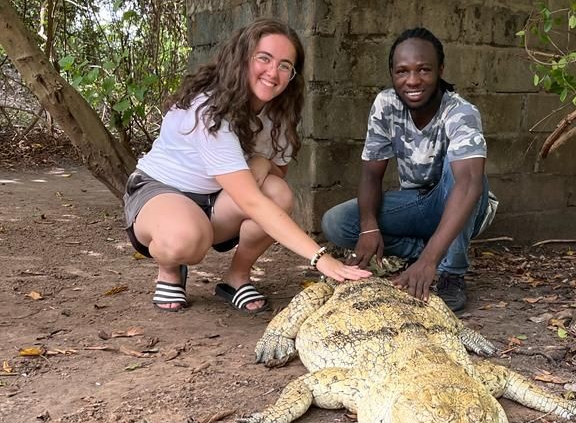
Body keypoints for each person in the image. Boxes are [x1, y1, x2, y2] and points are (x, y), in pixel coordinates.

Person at [124, 18, 370, 312]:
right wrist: (322, 259)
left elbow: (278, 173)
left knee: (278, 194)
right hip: (161, 193)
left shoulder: (279, 112)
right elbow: (251, 202)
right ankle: (169, 270)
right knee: (185, 238)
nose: (273, 72)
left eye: (284, 65)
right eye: (264, 59)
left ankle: (237, 277)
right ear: (242, 59)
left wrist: (262, 162)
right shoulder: (210, 110)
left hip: (217, 202)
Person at [321, 27, 497, 313]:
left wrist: (429, 262)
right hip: (415, 204)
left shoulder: (461, 112)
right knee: (336, 222)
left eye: (424, 70)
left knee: (461, 173)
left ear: (440, 69)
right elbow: (370, 173)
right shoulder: (386, 105)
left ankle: (451, 271)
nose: (413, 80)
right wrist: (369, 227)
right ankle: (426, 250)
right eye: (402, 71)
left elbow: (469, 183)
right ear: (392, 73)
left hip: (458, 203)